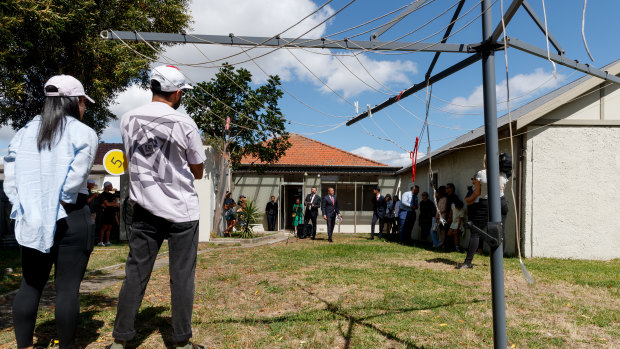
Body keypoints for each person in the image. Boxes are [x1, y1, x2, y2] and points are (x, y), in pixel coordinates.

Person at [111, 65, 206, 349]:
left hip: (143, 207)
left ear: (153, 88)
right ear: (177, 92)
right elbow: (198, 170)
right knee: (181, 277)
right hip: (181, 210)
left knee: (135, 274)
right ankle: (180, 341)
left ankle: (121, 339)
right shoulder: (185, 123)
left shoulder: (127, 119)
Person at [4, 75, 98, 349]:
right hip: (71, 216)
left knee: (30, 285)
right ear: (74, 101)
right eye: (83, 102)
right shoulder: (83, 133)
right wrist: (62, 203)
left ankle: (25, 346)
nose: (84, 108)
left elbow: (10, 176)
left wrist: (23, 205)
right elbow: (74, 178)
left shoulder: (23, 133)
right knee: (67, 289)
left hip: (32, 216)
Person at [458, 156, 509, 269]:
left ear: (485, 162)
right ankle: (499, 263)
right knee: (501, 232)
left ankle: (468, 262)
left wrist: (468, 200)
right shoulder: (503, 174)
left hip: (486, 203)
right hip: (501, 203)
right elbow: (502, 191)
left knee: (476, 232)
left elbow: (477, 193)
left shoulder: (481, 173)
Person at [98, 182, 118, 246]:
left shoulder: (111, 195)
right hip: (105, 213)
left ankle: (107, 241)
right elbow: (107, 204)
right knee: (104, 227)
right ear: (107, 186)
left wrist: (113, 204)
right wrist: (114, 204)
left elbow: (112, 203)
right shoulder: (103, 195)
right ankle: (100, 242)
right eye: (110, 186)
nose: (112, 187)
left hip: (111, 213)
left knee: (109, 228)